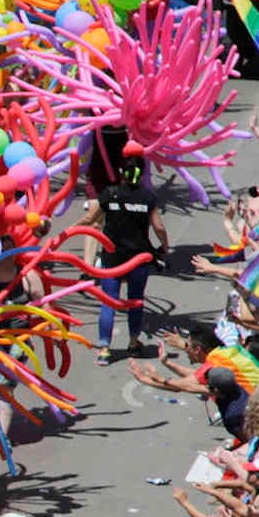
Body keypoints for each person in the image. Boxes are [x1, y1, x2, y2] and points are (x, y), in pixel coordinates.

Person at [90, 131, 164, 361]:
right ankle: (133, 344)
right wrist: (164, 246)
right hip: (138, 258)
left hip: (112, 258)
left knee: (108, 302)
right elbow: (159, 227)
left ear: (122, 172)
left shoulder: (109, 194)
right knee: (136, 300)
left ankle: (104, 349)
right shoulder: (147, 197)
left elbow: (91, 219)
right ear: (142, 174)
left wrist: (68, 230)